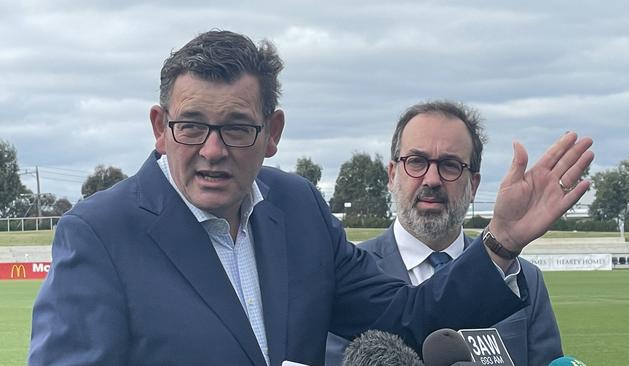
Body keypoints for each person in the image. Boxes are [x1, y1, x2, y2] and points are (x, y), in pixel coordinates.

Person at [28, 30, 593, 366]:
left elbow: (409, 316)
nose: (213, 150)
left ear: (272, 133)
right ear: (159, 126)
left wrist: (501, 242)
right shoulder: (99, 232)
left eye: (238, 128)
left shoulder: (297, 209)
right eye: (192, 126)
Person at [326, 101, 564, 366]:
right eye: (416, 162)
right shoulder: (347, 277)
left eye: (450, 165)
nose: (432, 179)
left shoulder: (522, 278)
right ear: (392, 175)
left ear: (473, 185)